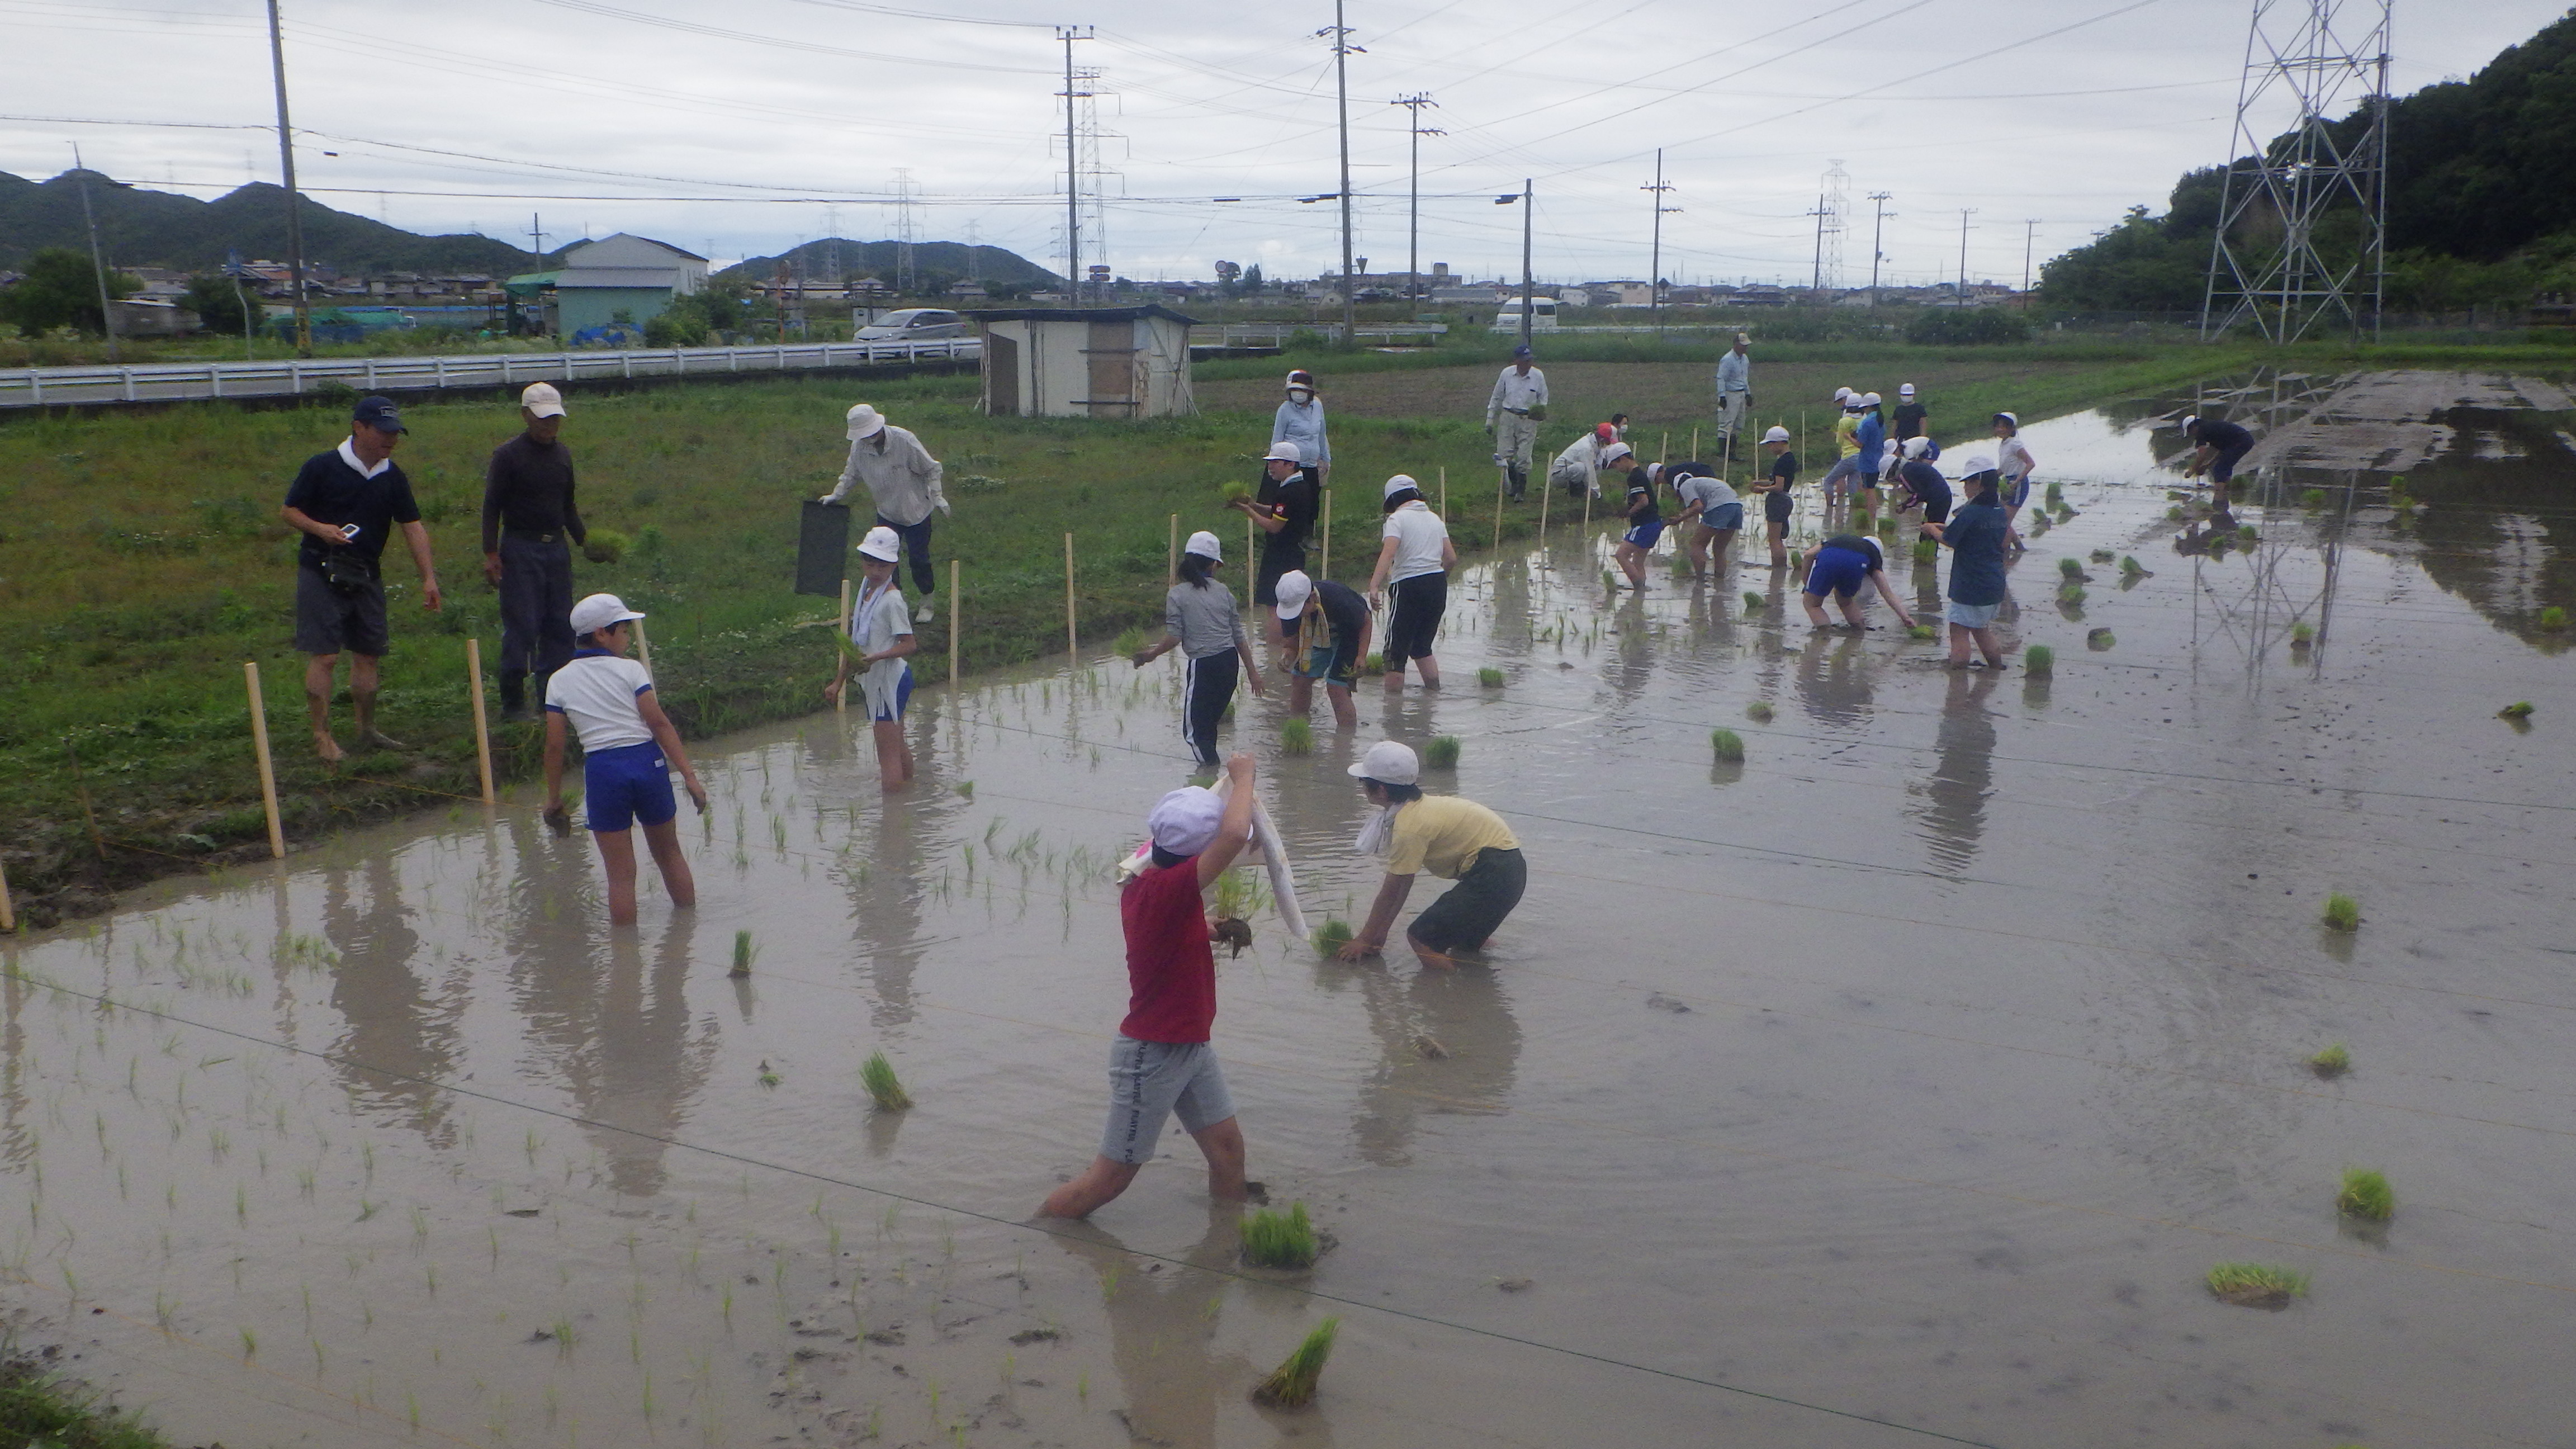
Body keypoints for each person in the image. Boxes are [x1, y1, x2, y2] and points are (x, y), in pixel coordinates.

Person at [1040, 760, 1260, 1220]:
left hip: (1190, 1046)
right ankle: (1036, 1234)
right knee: (1110, 1180)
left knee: (1228, 1151)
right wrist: (1245, 776)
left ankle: (1225, 1245)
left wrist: (1210, 932)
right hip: (1153, 1052)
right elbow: (1237, 834)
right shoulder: (1172, 887)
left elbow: (1167, 933)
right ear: (1199, 855)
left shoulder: (1147, 877)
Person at [280, 395, 444, 761]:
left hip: (366, 572)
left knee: (369, 653)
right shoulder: (322, 467)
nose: (391, 440)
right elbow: (289, 511)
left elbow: (413, 527)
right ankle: (321, 736)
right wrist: (320, 529)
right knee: (325, 656)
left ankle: (366, 730)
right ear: (359, 428)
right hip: (321, 569)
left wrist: (428, 578)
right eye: (383, 432)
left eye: (395, 433)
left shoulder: (392, 475)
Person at [542, 593, 708, 926]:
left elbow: (555, 748)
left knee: (619, 876)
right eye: (625, 630)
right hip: (647, 764)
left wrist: (554, 799)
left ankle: (626, 958)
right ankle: (688, 932)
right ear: (602, 633)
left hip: (604, 772)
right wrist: (689, 775)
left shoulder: (558, 681)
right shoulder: (631, 670)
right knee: (669, 854)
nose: (629, 637)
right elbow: (658, 723)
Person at [1337, 740, 1526, 970]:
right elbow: (1404, 883)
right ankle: (1477, 993)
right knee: (1465, 948)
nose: (1361, 788)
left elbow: (1391, 890)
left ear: (1381, 790)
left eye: (1363, 783)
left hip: (1493, 874)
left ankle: (1447, 999)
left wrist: (1365, 938)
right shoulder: (1422, 807)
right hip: (1512, 871)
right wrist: (1381, 931)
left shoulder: (1410, 826)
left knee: (1421, 939)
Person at [481, 381, 585, 722]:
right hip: (520, 547)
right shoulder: (508, 455)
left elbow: (568, 506)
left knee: (560, 625)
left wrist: (586, 542)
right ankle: (513, 705)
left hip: (555, 548)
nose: (549, 426)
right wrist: (491, 553)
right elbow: (491, 507)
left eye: (554, 419)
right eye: (542, 419)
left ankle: (551, 701)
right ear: (526, 416)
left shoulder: (563, 455)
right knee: (523, 624)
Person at [1133, 532, 1265, 766]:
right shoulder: (1224, 591)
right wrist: (1253, 674)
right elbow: (1238, 636)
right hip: (1230, 664)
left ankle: (1210, 777)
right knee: (1209, 725)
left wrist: (1150, 655)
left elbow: (1174, 637)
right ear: (1214, 564)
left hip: (1204, 666)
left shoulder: (1176, 594)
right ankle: (1214, 779)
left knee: (1193, 734)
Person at [819, 402, 947, 623]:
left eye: (871, 434)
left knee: (919, 560)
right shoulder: (859, 449)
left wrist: (937, 497)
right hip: (887, 512)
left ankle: (927, 601)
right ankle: (894, 604)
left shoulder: (904, 440)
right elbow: (851, 474)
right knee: (886, 562)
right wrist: (836, 495)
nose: (868, 438)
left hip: (917, 512)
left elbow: (931, 468)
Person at [825, 527, 920, 790]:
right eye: (870, 563)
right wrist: (838, 682)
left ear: (894, 565)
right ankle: (909, 795)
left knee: (887, 755)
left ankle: (893, 819)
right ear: (863, 561)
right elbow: (857, 644)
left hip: (889, 682)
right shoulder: (866, 592)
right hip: (879, 680)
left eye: (883, 565)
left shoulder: (892, 601)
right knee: (896, 744)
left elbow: (909, 644)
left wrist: (878, 657)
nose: (875, 570)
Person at [1231, 441, 1318, 665]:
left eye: (1275, 463)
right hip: (1293, 553)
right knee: (1294, 604)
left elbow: (1274, 526)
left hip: (1279, 556)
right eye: (1270, 463)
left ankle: (1274, 657)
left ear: (1290, 464)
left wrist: (1248, 511)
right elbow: (1279, 513)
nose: (1271, 467)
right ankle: (1293, 651)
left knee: (1275, 606)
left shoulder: (1288, 492)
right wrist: (1254, 504)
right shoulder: (1301, 487)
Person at [1368, 476, 1456, 694]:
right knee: (1421, 646)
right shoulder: (1435, 519)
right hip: (1437, 583)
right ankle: (1433, 696)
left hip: (1408, 584)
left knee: (1395, 651)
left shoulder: (1397, 520)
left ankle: (1392, 712)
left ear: (1394, 500)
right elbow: (1451, 558)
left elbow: (1389, 553)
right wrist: (1437, 581)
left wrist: (1374, 586)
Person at [1924, 457, 2011, 669]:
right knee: (1981, 629)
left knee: (1959, 630)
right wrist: (1945, 527)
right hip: (1994, 582)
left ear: (1979, 483)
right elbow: (1976, 534)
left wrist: (1931, 529)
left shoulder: (1972, 512)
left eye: (1968, 483)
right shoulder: (1998, 511)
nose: (1965, 487)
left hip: (1971, 584)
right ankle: (1996, 669)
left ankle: (1958, 682)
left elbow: (1948, 540)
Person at [1275, 568, 1369, 731]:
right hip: (1316, 636)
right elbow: (1291, 643)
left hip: (1349, 636)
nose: (1295, 616)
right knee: (1299, 678)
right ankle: (1299, 728)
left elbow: (1366, 622)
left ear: (1311, 598)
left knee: (1336, 686)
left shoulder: (1338, 599)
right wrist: (1287, 656)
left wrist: (1361, 656)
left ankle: (1346, 740)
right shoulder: (1290, 608)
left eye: (1298, 611)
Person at [1800, 532, 1915, 630]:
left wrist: (1806, 584)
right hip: (1857, 563)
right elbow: (1887, 592)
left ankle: (1825, 635)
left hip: (1830, 558)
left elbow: (1808, 555)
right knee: (1846, 602)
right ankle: (1859, 632)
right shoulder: (1873, 556)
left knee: (1813, 604)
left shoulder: (1840, 539)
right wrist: (1905, 617)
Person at [1484, 345, 1547, 501]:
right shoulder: (1507, 374)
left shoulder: (1538, 375)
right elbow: (1497, 396)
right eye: (1525, 361)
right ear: (1517, 361)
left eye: (1530, 360)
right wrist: (1490, 420)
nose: (1528, 364)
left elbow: (1544, 397)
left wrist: (1540, 412)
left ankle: (1521, 491)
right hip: (1508, 416)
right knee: (1505, 454)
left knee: (1524, 456)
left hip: (1528, 418)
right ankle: (1513, 485)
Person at [1666, 459, 1739, 578]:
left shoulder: (1686, 485)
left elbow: (1698, 507)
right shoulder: (1705, 482)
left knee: (1696, 545)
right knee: (1719, 548)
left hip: (1721, 506)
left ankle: (1700, 580)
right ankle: (1719, 581)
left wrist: (1679, 518)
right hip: (1736, 506)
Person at [1270, 370, 1330, 488]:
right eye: (1294, 390)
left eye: (1302, 390)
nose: (1298, 393)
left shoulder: (1317, 406)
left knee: (1311, 502)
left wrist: (1326, 459)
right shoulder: (1285, 409)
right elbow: (1277, 438)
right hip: (1292, 468)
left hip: (1312, 466)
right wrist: (1273, 463)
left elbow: (1321, 434)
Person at [1749, 425, 1799, 567]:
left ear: (1779, 443)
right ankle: (1781, 569)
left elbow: (1778, 487)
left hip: (1778, 501)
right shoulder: (1790, 458)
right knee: (1778, 539)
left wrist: (1761, 488)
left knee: (1774, 539)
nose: (1769, 448)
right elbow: (1779, 482)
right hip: (1785, 500)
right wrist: (1762, 483)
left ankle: (1778, 570)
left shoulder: (1782, 462)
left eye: (1771, 444)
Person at [2180, 413, 2256, 504]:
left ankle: (2218, 503)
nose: (2192, 435)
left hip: (2241, 442)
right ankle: (2224, 498)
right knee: (2224, 466)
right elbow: (2222, 451)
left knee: (2220, 469)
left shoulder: (2201, 431)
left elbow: (2202, 455)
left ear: (2193, 427)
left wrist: (2192, 471)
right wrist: (2207, 465)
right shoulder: (2210, 428)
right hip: (2244, 441)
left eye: (2190, 432)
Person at [1613, 463, 1664, 588]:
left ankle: (1639, 588)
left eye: (1615, 465)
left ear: (1622, 459)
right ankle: (1639, 601)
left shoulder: (1634, 477)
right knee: (1638, 562)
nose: (1617, 469)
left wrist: (1628, 513)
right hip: (1654, 524)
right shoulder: (1640, 474)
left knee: (1621, 555)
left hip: (1644, 525)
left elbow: (1643, 501)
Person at [1992, 411, 2038, 552]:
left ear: (2012, 429)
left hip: (2017, 484)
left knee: (2004, 521)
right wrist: (1990, 476)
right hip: (2007, 482)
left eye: (2004, 427)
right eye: (1998, 426)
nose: (2000, 429)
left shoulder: (2015, 444)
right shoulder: (2004, 444)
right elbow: (2005, 467)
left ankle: (2004, 551)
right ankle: (2018, 546)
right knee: (2001, 518)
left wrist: (2017, 481)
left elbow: (2030, 463)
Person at [1547, 434, 1631, 501]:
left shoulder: (1594, 446)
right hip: (1558, 476)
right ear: (1602, 440)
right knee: (1580, 468)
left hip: (1568, 471)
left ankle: (1582, 493)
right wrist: (1597, 493)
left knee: (1585, 468)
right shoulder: (1586, 448)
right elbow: (1589, 470)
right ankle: (1575, 495)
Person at [1891, 435, 1952, 526]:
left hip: (1930, 448)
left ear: (1897, 449)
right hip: (1941, 495)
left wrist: (1905, 504)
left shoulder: (1908, 453)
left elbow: (1912, 470)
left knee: (1924, 471)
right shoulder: (1904, 453)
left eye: (1894, 453)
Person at [1820, 391, 1867, 501]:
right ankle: (1854, 511)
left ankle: (1829, 509)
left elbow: (1839, 441)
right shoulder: (1865, 420)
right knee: (1853, 486)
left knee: (1828, 481)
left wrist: (1839, 435)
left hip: (1848, 457)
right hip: (1861, 456)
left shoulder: (1844, 421)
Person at [1713, 332, 1752, 452]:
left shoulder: (1745, 359)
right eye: (1743, 345)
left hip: (1740, 394)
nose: (1745, 348)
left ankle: (1732, 451)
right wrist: (1722, 396)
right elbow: (1721, 378)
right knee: (1726, 424)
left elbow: (1744, 378)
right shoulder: (1727, 359)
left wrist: (1748, 394)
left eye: (1746, 345)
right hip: (1730, 394)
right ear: (1736, 345)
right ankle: (1723, 453)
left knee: (1739, 424)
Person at [1891, 382, 1929, 451]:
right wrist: (1892, 439)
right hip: (1901, 438)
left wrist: (1923, 438)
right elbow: (1895, 424)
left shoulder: (1919, 408)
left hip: (1915, 438)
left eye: (1909, 395)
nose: (1906, 397)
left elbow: (1923, 423)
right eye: (1904, 395)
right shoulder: (1899, 409)